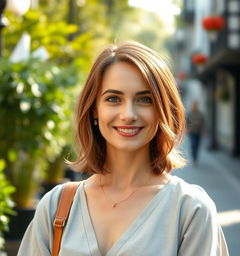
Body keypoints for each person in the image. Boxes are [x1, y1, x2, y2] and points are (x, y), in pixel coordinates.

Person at [18, 41, 229, 256]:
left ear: (162, 110)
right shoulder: (56, 207)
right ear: (94, 111)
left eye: (144, 99)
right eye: (113, 99)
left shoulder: (190, 210)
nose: (128, 114)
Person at [186, 100, 205, 165]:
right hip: (191, 132)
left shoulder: (200, 114)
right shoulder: (189, 113)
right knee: (193, 144)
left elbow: (203, 123)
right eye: (193, 105)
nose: (194, 106)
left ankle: (196, 157)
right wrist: (187, 128)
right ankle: (194, 158)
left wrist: (204, 132)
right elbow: (186, 122)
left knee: (197, 145)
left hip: (198, 132)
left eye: (195, 105)